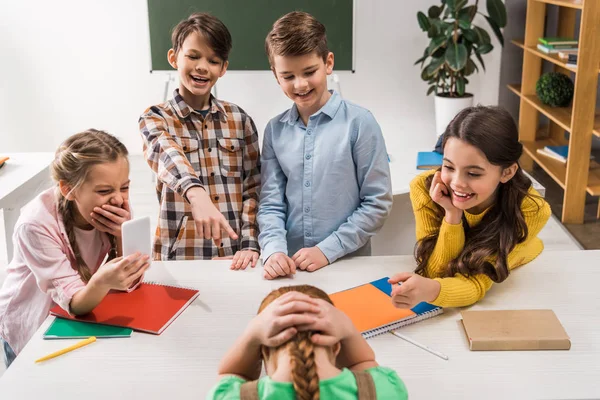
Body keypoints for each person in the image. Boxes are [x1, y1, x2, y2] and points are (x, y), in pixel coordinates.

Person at [258, 11, 392, 279]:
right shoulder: (275, 130)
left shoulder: (360, 123)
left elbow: (377, 202)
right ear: (276, 75)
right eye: (288, 76)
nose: (301, 84)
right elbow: (271, 204)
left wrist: (327, 250)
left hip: (348, 265)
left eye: (309, 72)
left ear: (328, 63)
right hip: (292, 269)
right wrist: (273, 250)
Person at [0, 130, 149, 367]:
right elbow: (75, 303)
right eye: (104, 191)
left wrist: (123, 234)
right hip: (31, 322)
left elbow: (133, 280)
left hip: (76, 312)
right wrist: (101, 282)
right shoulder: (34, 225)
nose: (119, 200)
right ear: (68, 188)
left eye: (125, 187)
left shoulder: (116, 207)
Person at [389, 106, 551, 308]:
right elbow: (435, 272)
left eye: (473, 173)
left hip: (523, 268)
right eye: (448, 167)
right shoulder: (425, 188)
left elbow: (475, 282)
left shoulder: (530, 210)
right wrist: (452, 214)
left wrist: (430, 290)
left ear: (507, 173)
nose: (456, 183)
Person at [139, 13, 261, 269]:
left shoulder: (240, 120)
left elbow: (253, 189)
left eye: (213, 60)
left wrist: (250, 243)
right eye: (193, 56)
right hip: (179, 259)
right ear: (174, 57)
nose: (202, 67)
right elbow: (166, 153)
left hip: (234, 256)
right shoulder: (155, 117)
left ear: (223, 68)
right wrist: (197, 195)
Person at [208, 285, 408, 399]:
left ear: (262, 353)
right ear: (337, 347)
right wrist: (347, 327)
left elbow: (232, 373)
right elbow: (363, 364)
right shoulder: (383, 390)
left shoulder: (231, 397)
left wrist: (252, 334)